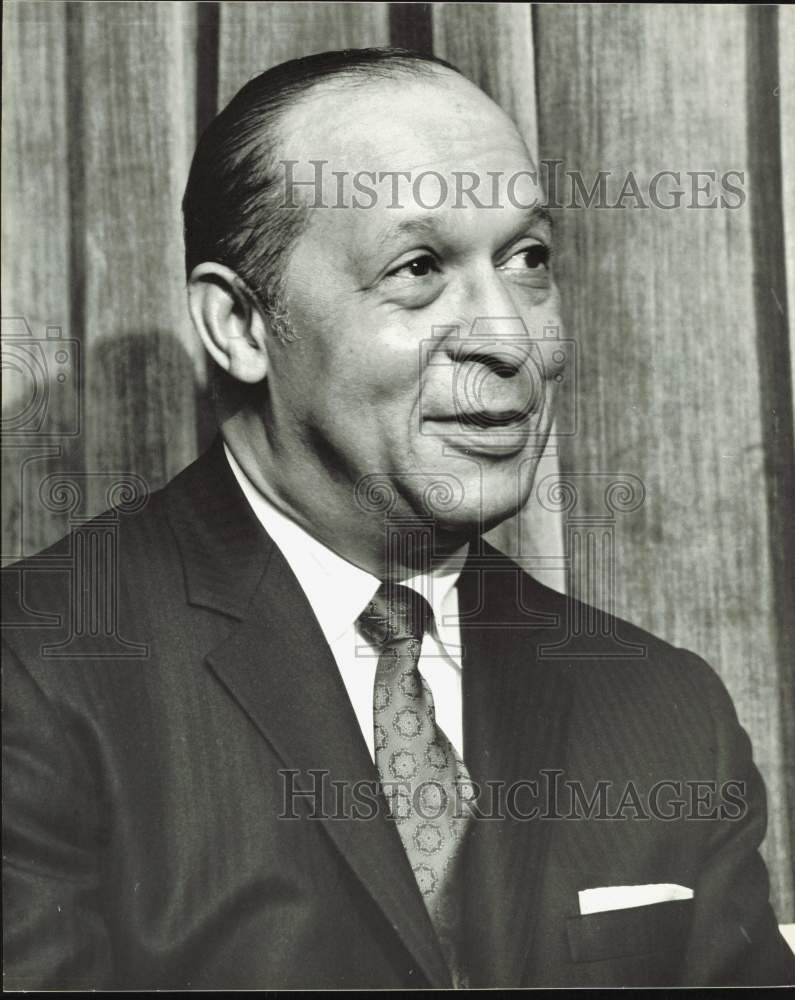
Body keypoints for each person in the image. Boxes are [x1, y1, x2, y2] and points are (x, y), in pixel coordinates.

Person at [2, 47, 793, 990]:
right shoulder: (38, 675)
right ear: (242, 328)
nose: (509, 340)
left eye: (527, 259)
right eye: (418, 267)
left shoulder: (666, 712)